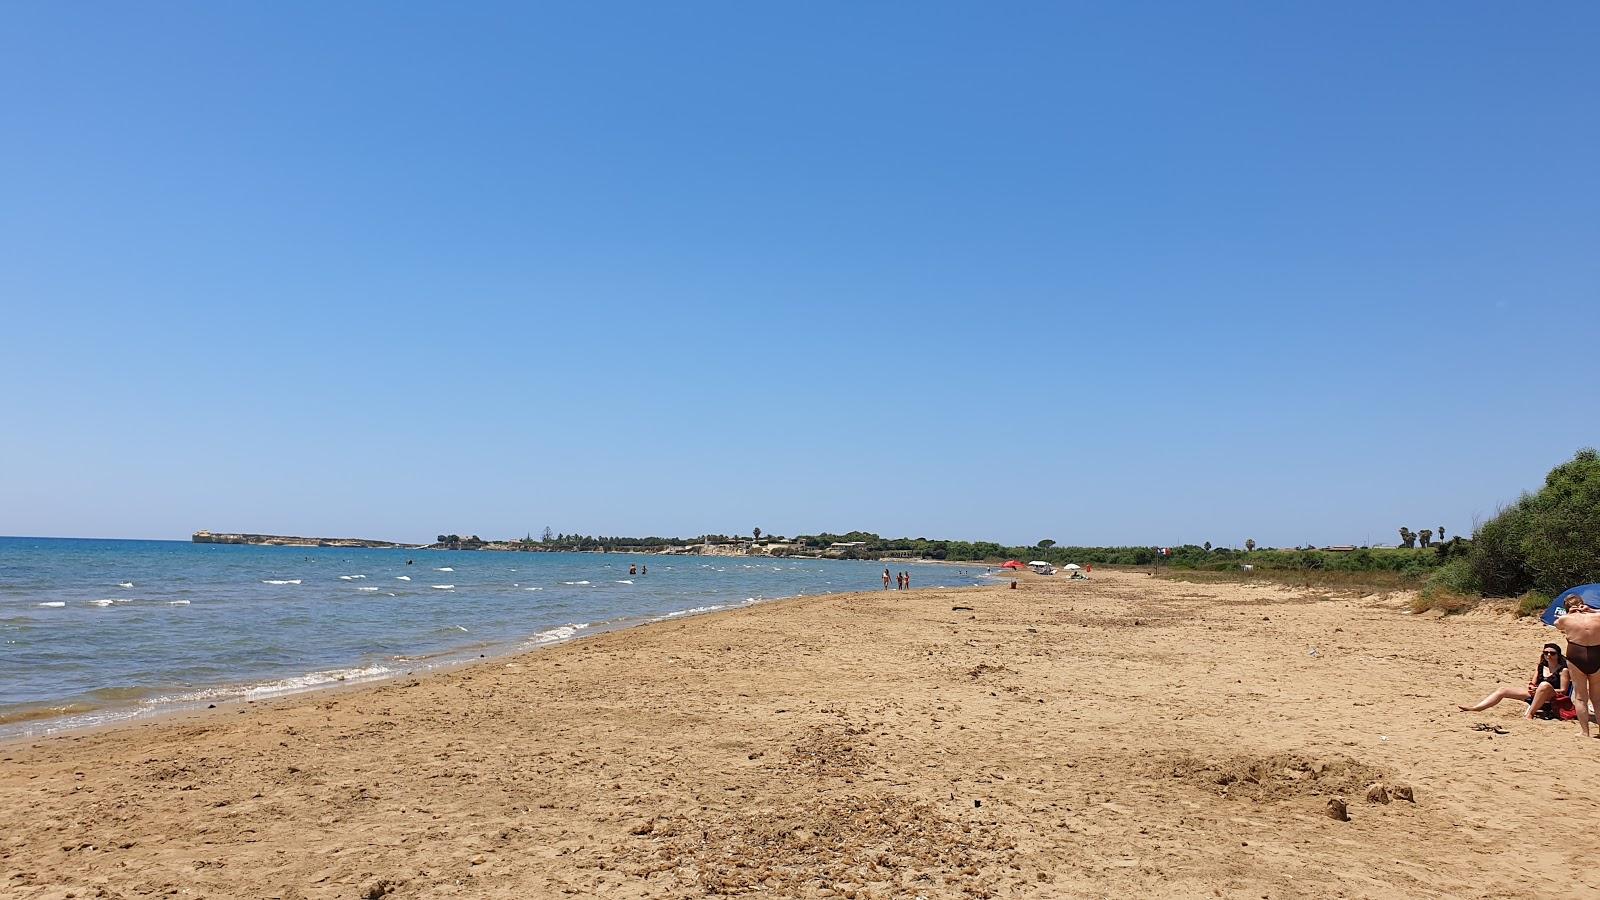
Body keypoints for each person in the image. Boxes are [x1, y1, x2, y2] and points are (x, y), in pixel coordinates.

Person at [1457, 643, 1572, 720]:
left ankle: (1530, 714)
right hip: (1536, 694)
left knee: (1544, 685)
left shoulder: (1563, 670)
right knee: (1503, 690)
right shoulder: (1541, 667)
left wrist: (1541, 688)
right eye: (1546, 652)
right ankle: (1477, 708)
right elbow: (1532, 683)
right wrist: (1532, 688)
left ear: (1558, 655)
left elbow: (1563, 690)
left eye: (1552, 653)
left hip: (1552, 697)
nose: (1548, 655)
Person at [1555, 593, 1600, 738]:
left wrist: (1570, 613)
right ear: (1582, 604)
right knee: (1597, 698)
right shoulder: (1597, 616)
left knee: (1580, 697)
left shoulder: (1565, 619)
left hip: (1576, 657)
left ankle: (1585, 732)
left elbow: (1556, 624)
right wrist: (1591, 610)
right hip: (1596, 655)